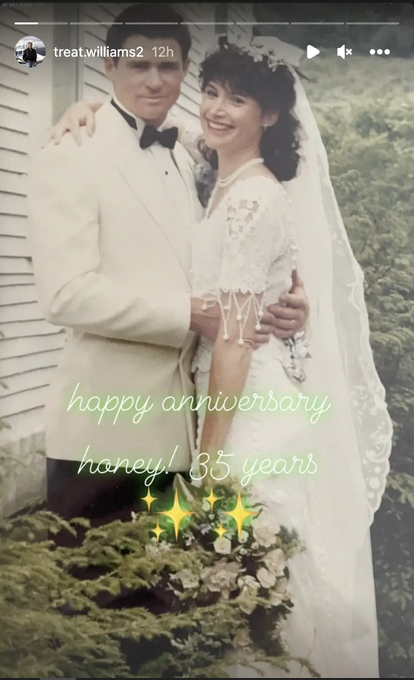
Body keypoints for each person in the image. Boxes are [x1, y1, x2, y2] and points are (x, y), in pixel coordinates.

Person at [43, 23, 394, 679]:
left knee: (247, 582)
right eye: (211, 91)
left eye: (235, 98)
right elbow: (68, 290)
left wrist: (207, 460)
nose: (212, 106)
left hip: (232, 409)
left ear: (272, 113)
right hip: (157, 417)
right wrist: (87, 105)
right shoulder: (201, 163)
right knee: (203, 590)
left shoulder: (247, 194)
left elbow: (235, 330)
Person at [28, 4, 308, 548]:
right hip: (103, 436)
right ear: (109, 67)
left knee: (166, 621)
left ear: (184, 72)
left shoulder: (188, 155)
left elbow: (239, 256)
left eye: (169, 66)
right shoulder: (73, 151)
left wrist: (294, 303)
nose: (155, 80)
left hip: (182, 435)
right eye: (138, 65)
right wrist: (189, 314)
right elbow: (64, 294)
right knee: (98, 613)